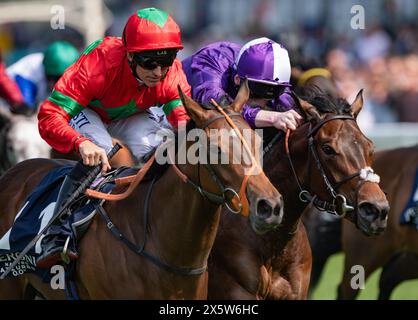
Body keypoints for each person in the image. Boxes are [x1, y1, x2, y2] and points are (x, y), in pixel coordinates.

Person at [36, 7, 191, 268]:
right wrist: (80, 142)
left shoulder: (170, 74)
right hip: (88, 110)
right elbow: (49, 117)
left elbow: (185, 124)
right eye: (149, 63)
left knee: (162, 148)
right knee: (100, 154)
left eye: (166, 62)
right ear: (130, 56)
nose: (158, 72)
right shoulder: (98, 64)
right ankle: (56, 233)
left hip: (132, 113)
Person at [182, 37, 302, 131]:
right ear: (237, 79)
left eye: (274, 93)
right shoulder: (211, 60)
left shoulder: (272, 79)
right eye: (256, 93)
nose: (261, 103)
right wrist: (272, 117)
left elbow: (292, 105)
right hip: (173, 109)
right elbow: (217, 106)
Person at [6, 41, 79, 114]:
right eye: (53, 77)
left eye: (60, 79)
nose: (54, 83)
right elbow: (24, 107)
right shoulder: (28, 72)